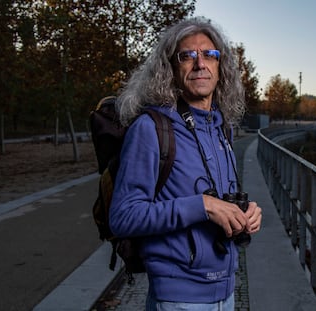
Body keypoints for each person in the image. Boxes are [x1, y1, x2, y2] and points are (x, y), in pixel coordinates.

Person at [109, 17, 262, 310]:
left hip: (226, 292)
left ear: (221, 68)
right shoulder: (150, 128)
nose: (199, 63)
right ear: (171, 68)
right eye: (187, 55)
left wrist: (245, 213)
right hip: (178, 299)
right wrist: (202, 206)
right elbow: (124, 216)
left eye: (209, 55)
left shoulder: (222, 128)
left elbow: (215, 196)